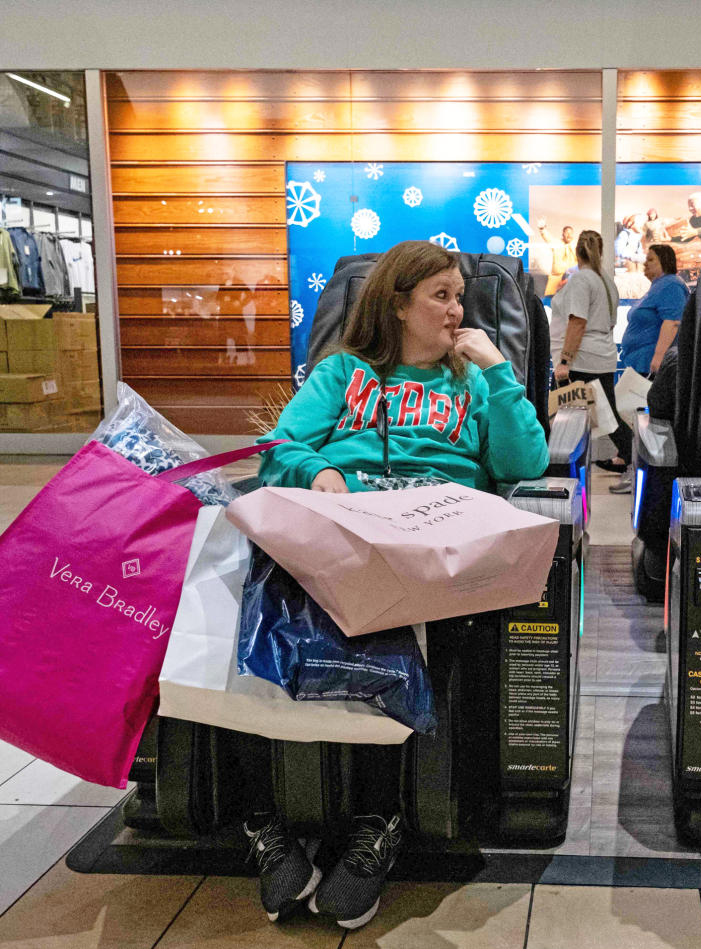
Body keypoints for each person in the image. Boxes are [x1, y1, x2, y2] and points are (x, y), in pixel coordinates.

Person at [249, 241, 547, 929]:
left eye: (460, 296)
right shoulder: (340, 373)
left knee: (385, 627)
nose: (456, 309)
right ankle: (264, 823)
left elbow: (523, 460)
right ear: (396, 303)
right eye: (440, 295)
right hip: (340, 529)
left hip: (429, 545)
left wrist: (499, 373)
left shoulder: (472, 380)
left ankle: (374, 823)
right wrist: (320, 474)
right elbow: (280, 449)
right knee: (251, 610)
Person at [550, 229, 630, 474]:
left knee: (563, 418)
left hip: (580, 361)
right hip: (601, 356)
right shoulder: (606, 281)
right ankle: (632, 454)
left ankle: (559, 468)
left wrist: (564, 361)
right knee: (607, 416)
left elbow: (578, 322)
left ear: (577, 251)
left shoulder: (582, 280)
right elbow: (611, 323)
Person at [619, 244, 689, 377]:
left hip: (652, 367)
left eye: (651, 260)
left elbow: (672, 322)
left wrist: (658, 357)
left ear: (665, 261)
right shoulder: (658, 286)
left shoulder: (671, 285)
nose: (645, 264)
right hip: (640, 364)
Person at [537, 219, 577, 295]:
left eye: (571, 233)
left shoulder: (577, 245)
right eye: (567, 233)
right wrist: (542, 229)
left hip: (572, 277)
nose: (569, 235)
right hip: (556, 277)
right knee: (550, 298)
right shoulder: (557, 243)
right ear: (563, 234)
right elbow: (548, 237)